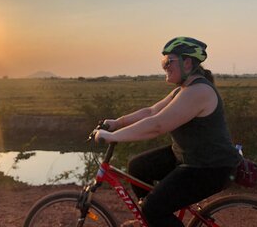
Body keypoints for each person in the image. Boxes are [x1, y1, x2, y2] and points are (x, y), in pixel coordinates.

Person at [94, 37, 242, 227]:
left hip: (210, 167)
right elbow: (151, 111)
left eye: (168, 61)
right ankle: (150, 221)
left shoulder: (199, 92)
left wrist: (113, 137)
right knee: (138, 167)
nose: (164, 66)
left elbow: (157, 125)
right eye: (163, 62)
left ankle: (152, 215)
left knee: (153, 209)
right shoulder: (184, 89)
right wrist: (116, 123)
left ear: (187, 62)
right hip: (192, 157)